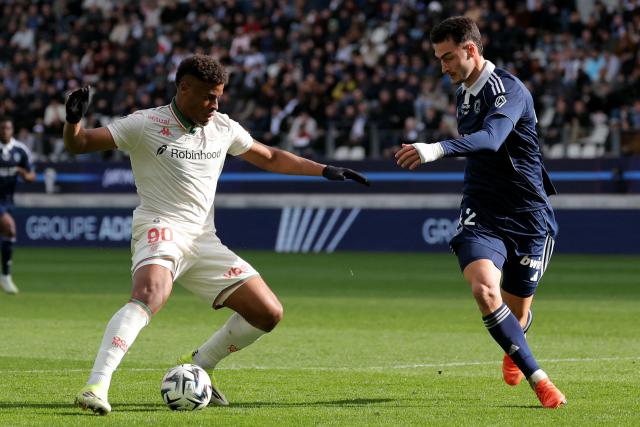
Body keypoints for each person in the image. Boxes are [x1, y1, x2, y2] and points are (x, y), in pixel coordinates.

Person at [64, 55, 369, 415]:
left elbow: (269, 156)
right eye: (209, 96)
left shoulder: (223, 127)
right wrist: (73, 121)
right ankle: (96, 385)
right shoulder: (145, 123)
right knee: (150, 294)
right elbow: (79, 144)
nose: (215, 105)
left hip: (204, 240)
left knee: (268, 313)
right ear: (184, 88)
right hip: (160, 228)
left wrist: (325, 170)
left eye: (219, 96)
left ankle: (200, 366)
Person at [395, 17, 566, 408]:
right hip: (481, 209)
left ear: (471, 49)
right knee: (484, 290)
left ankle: (515, 340)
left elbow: (491, 140)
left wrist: (435, 148)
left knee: (517, 314)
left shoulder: (509, 90)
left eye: (449, 57)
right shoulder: (465, 92)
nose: (444, 67)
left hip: (528, 214)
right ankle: (540, 379)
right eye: (439, 59)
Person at [0, 117, 36, 294]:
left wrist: (23, 173)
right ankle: (5, 277)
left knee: (7, 233)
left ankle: (5, 276)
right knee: (10, 228)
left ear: (12, 130)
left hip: (7, 200)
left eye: (7, 128)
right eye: (2, 128)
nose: (5, 131)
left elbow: (32, 176)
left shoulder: (20, 151)